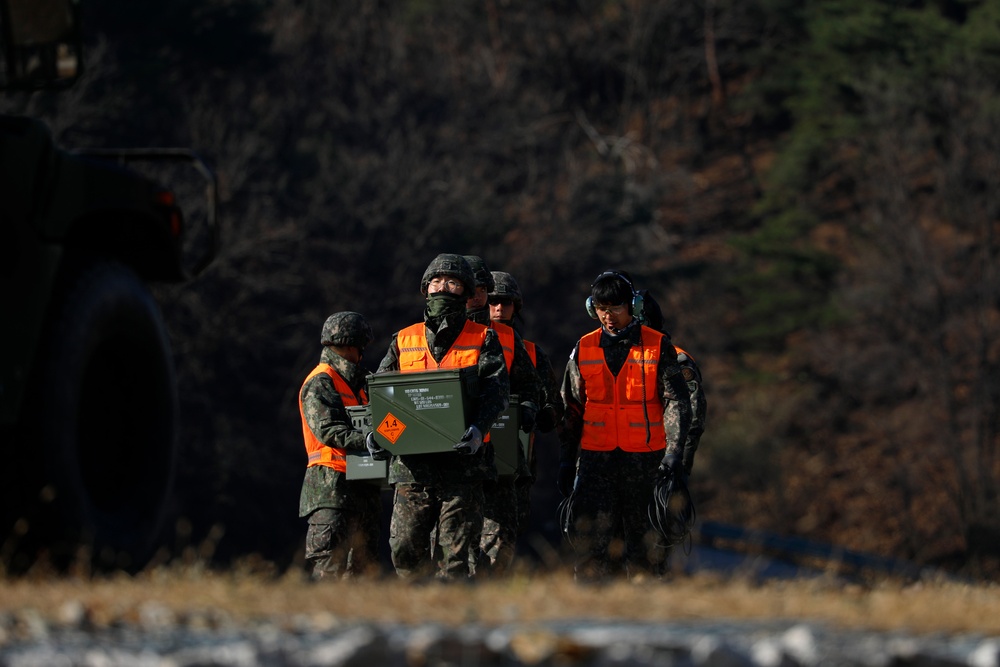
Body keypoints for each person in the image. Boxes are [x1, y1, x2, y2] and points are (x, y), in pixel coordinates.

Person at [369, 253, 509, 580]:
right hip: (413, 466)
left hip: (464, 465)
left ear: (465, 291)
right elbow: (380, 392)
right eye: (437, 282)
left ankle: (452, 620)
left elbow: (496, 391)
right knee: (404, 546)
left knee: (456, 554)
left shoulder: (483, 338)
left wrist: (478, 429)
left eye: (453, 283)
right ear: (425, 289)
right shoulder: (403, 339)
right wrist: (376, 434)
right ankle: (416, 616)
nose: (443, 288)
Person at [557, 270, 692, 580]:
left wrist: (673, 452)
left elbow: (677, 401)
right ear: (593, 309)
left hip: (644, 460)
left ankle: (645, 610)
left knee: (646, 543)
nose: (609, 316)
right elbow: (572, 408)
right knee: (592, 542)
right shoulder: (584, 347)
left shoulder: (658, 346)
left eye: (616, 307)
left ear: (632, 306)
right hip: (595, 461)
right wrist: (567, 459)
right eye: (602, 308)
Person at [462, 256, 541, 576]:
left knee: (501, 534)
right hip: (452, 451)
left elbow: (532, 386)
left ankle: (490, 590)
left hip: (502, 451)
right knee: (451, 534)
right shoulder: (427, 335)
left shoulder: (510, 339)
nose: (493, 306)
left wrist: (531, 408)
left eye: (486, 291)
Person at [297, 311, 381, 580]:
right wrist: (367, 440)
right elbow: (328, 430)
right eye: (360, 347)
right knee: (329, 566)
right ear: (349, 346)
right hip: (330, 486)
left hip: (361, 484)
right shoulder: (321, 381)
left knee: (363, 569)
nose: (362, 354)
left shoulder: (358, 383)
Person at [487, 270, 563, 541]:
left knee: (505, 531)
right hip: (470, 452)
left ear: (515, 307)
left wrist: (543, 414)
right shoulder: (466, 346)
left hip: (515, 456)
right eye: (492, 301)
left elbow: (553, 401)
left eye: (505, 302)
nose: (498, 308)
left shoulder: (532, 352)